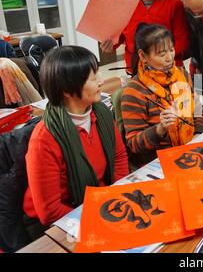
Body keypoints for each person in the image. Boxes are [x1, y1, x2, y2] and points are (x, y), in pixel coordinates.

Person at [23, 46, 129, 229]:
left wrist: (115, 196)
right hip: (64, 218)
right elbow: (50, 211)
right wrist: (98, 217)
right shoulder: (44, 139)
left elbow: (119, 158)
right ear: (66, 89)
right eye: (93, 77)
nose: (101, 81)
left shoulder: (101, 113)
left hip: (102, 204)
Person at [121, 23, 203, 166]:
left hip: (190, 152)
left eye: (171, 50)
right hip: (159, 162)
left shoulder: (181, 74)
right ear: (143, 55)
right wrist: (159, 129)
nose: (169, 58)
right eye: (161, 54)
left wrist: (197, 135)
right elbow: (134, 144)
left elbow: (198, 112)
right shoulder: (134, 92)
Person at [100, 0, 190, 73]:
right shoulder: (123, 0)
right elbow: (118, 36)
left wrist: (161, 57)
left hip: (169, 65)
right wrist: (110, 45)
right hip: (136, 66)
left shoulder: (175, 1)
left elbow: (182, 39)